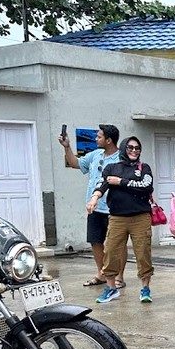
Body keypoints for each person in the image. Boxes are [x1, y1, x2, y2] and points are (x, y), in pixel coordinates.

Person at [87, 137, 156, 304]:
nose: (134, 151)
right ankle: (111, 288)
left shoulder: (143, 168)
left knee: (143, 253)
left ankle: (145, 289)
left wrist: (120, 182)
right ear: (124, 148)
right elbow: (102, 184)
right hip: (117, 218)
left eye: (137, 148)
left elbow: (146, 186)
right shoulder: (111, 168)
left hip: (140, 218)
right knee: (111, 252)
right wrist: (94, 198)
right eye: (130, 147)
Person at [58, 124, 126, 289]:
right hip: (94, 207)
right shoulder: (95, 155)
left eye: (99, 136)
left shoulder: (121, 159)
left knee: (118, 244)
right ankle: (102, 274)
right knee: (95, 241)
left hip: (115, 209)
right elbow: (74, 163)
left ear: (109, 140)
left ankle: (119, 276)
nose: (96, 139)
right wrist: (67, 147)